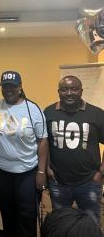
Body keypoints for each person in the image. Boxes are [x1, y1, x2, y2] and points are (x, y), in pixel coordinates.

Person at [0, 71, 48, 237]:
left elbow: (43, 141)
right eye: (5, 86)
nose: (8, 90)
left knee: (27, 213)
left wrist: (41, 171)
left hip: (27, 170)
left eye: (12, 86)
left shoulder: (34, 109)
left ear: (20, 87)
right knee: (7, 212)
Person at [44, 75, 104, 223]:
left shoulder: (97, 114)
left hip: (89, 182)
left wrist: (101, 172)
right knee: (61, 224)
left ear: (81, 91)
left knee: (90, 225)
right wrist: (47, 168)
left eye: (74, 89)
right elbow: (44, 143)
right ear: (58, 92)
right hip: (58, 182)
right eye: (64, 89)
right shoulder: (49, 112)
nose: (69, 93)